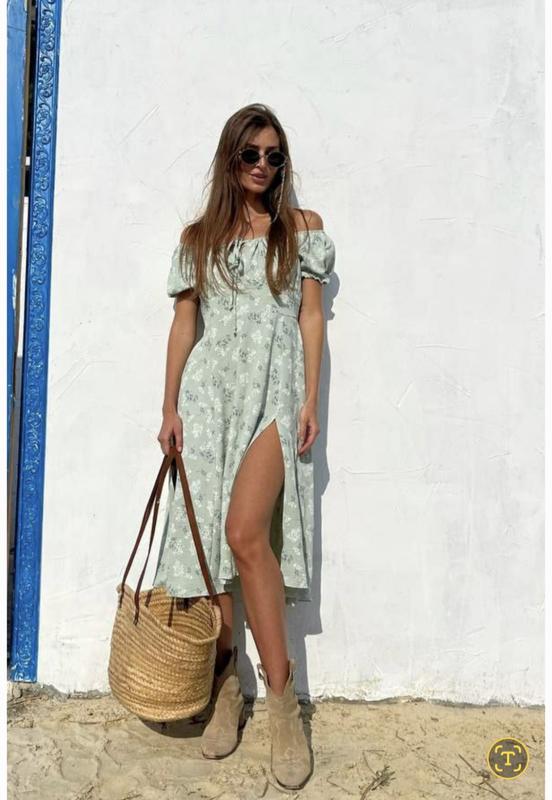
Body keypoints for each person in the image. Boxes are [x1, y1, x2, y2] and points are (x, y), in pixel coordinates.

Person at [154, 103, 335, 789]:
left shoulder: (301, 229)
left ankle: (283, 704)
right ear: (231, 158)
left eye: (274, 156)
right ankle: (229, 684)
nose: (263, 165)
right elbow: (184, 324)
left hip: (273, 391)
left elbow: (310, 317)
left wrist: (309, 398)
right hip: (209, 398)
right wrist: (170, 406)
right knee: (215, 541)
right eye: (252, 154)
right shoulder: (199, 237)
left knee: (245, 531)